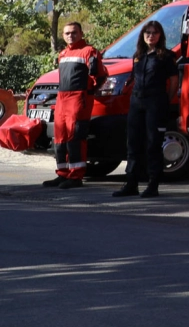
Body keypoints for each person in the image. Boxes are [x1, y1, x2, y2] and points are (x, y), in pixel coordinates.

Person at [116, 21, 178, 198]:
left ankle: (153, 184)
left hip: (155, 102)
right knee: (133, 144)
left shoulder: (165, 56)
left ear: (160, 36)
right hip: (137, 102)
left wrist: (166, 100)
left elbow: (174, 81)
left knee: (153, 144)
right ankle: (131, 183)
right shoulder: (138, 55)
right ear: (143, 35)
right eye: (147, 32)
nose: (151, 35)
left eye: (154, 33)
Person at [45, 22, 108, 189]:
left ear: (81, 33)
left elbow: (100, 76)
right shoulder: (63, 53)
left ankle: (76, 176)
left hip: (78, 98)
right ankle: (63, 174)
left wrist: (89, 91)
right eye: (67, 33)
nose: (70, 36)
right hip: (62, 99)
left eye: (73, 32)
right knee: (60, 138)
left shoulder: (89, 51)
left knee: (75, 137)